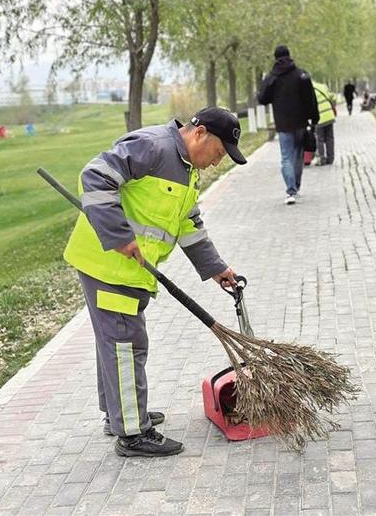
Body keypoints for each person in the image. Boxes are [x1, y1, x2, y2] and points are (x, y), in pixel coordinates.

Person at [62, 107, 246, 457]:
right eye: (219, 153)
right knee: (126, 343)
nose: (217, 163)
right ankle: (132, 433)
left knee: (115, 342)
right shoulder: (154, 147)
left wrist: (216, 268)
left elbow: (189, 225)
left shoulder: (187, 170)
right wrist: (117, 234)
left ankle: (119, 415)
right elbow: (96, 175)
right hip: (109, 265)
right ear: (200, 133)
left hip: (128, 270)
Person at [258, 45, 319, 205]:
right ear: (289, 55)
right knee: (298, 155)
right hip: (300, 123)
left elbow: (262, 98)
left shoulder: (273, 77)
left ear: (275, 57)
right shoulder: (301, 74)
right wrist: (314, 118)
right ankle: (296, 187)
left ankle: (290, 190)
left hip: (283, 124)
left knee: (286, 157)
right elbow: (310, 99)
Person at [312, 80, 336, 166]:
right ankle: (330, 158)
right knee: (330, 138)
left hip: (320, 117)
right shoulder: (322, 86)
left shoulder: (309, 89)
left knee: (320, 139)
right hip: (329, 115)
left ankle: (321, 159)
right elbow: (333, 97)